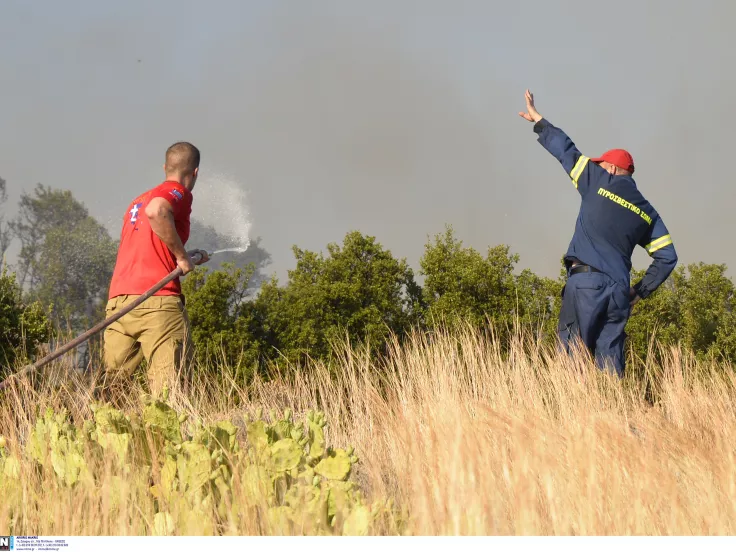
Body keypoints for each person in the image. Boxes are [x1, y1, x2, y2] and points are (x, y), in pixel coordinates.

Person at [518, 90, 678, 376]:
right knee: (610, 364)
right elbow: (667, 257)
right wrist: (639, 292)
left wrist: (539, 120)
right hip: (618, 292)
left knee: (571, 355)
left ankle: (574, 414)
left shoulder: (597, 180)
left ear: (613, 169)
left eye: (601, 164)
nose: (597, 166)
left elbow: (565, 150)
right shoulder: (647, 212)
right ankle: (610, 415)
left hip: (587, 283)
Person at [100, 142, 209, 400]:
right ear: (194, 173)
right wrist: (182, 257)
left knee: (111, 397)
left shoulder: (137, 201)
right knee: (170, 395)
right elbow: (157, 211)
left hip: (119, 305)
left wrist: (183, 253)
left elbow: (150, 242)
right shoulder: (176, 191)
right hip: (157, 302)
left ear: (165, 167)